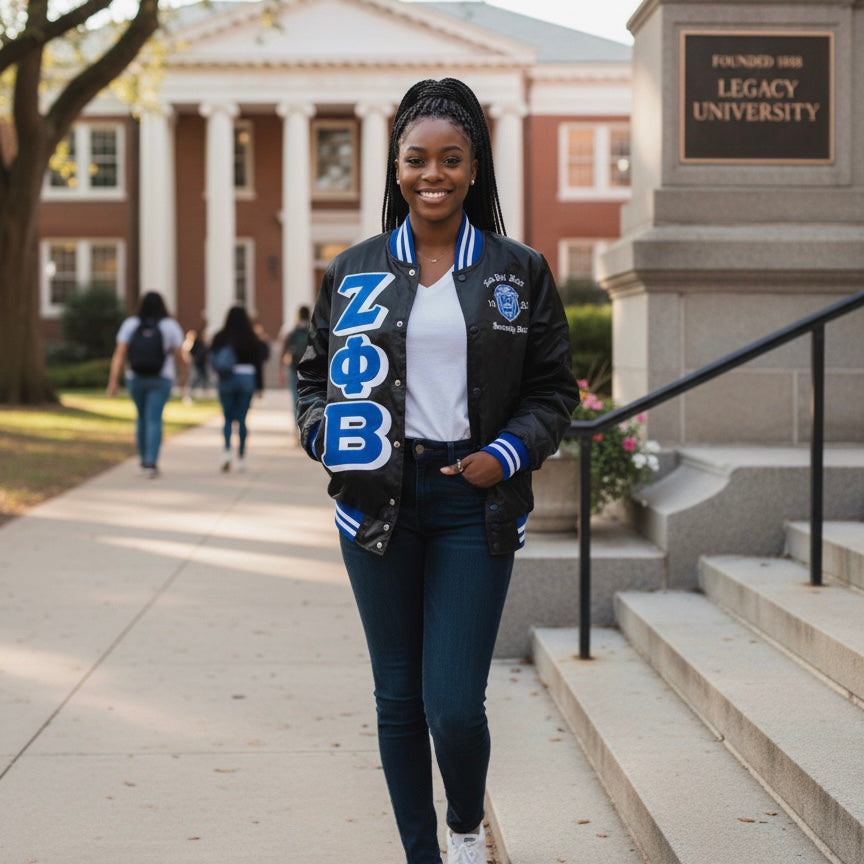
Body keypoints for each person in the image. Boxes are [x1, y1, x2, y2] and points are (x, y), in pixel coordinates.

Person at [296, 79, 580, 864]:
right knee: (398, 698)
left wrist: (508, 454)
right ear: (395, 169)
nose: (434, 174)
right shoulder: (354, 271)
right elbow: (312, 373)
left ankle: (463, 828)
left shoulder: (516, 270)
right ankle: (424, 854)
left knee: (453, 705)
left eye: (451, 160)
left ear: (475, 168)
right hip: (378, 499)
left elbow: (554, 388)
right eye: (417, 159)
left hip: (470, 499)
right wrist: (324, 434)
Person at [107, 291, 187, 479]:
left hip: (136, 377)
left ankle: (143, 459)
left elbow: (119, 353)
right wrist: (184, 374)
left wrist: (113, 380)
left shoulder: (131, 324)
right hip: (161, 378)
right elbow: (179, 355)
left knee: (141, 418)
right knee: (154, 419)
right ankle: (151, 462)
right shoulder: (170, 326)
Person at [210, 305, 265, 472]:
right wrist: (260, 386)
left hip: (227, 379)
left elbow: (212, 358)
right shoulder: (251, 337)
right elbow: (258, 363)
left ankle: (227, 451)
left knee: (227, 418)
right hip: (247, 379)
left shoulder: (220, 336)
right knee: (242, 419)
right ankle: (241, 457)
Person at [281, 304, 311, 419]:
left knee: (296, 399)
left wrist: (282, 368)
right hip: (310, 369)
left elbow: (285, 351)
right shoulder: (313, 329)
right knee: (310, 397)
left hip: (294, 369)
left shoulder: (292, 331)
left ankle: (297, 426)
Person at [182, 328, 210, 396]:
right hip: (192, 363)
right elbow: (185, 353)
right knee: (194, 376)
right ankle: (190, 390)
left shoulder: (197, 343)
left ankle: (203, 389)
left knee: (202, 375)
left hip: (199, 362)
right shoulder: (189, 343)